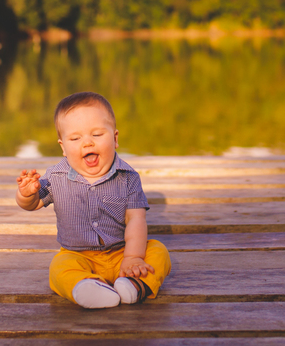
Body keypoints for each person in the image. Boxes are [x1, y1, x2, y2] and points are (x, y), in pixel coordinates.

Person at [15, 91, 171, 309]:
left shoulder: (128, 177)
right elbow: (33, 205)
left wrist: (133, 257)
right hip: (78, 256)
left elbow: (136, 219)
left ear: (115, 138)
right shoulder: (55, 177)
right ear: (63, 147)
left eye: (97, 135)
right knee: (58, 267)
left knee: (158, 251)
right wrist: (26, 194)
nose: (87, 143)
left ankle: (134, 285)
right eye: (75, 139)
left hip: (121, 254)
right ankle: (87, 287)